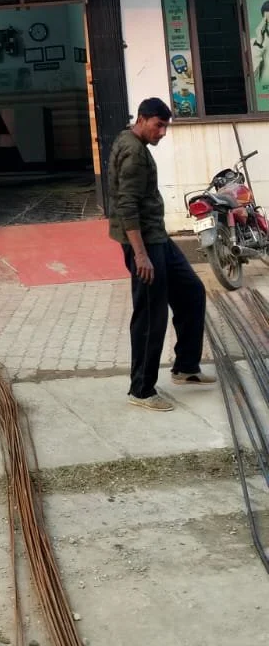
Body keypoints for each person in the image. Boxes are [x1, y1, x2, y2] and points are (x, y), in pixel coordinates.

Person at [108, 98, 213, 411]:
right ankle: (141, 390)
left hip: (157, 238)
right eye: (159, 125)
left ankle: (186, 366)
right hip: (144, 245)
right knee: (151, 315)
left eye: (166, 126)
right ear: (142, 119)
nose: (163, 132)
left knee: (192, 292)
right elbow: (126, 205)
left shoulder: (132, 142)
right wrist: (141, 255)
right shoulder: (134, 154)